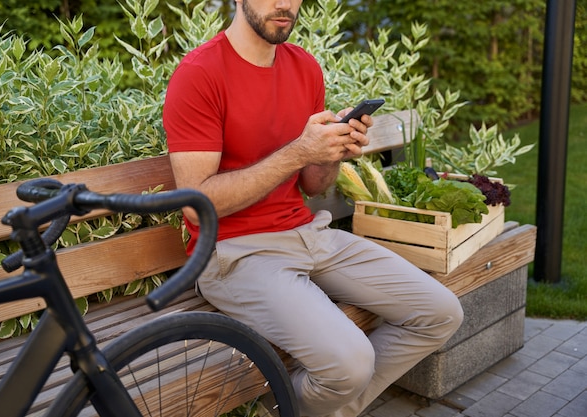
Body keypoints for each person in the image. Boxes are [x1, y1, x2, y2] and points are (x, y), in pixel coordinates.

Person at [162, 0, 464, 415]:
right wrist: (297, 151)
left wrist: (331, 151)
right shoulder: (199, 74)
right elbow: (197, 207)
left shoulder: (304, 66)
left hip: (308, 235)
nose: (285, 4)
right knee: (350, 363)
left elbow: (314, 184)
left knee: (440, 312)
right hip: (234, 254)